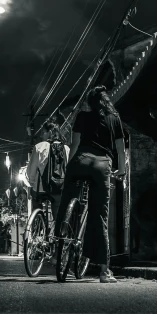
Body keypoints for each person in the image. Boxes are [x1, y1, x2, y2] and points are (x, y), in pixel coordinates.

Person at [55, 86, 127, 284]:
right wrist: (121, 170)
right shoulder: (114, 118)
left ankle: (60, 236)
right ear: (106, 101)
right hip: (102, 164)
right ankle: (105, 272)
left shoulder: (81, 117)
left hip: (81, 159)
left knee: (67, 198)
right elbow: (121, 150)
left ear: (89, 102)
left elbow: (75, 144)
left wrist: (70, 168)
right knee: (100, 216)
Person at [23, 120, 70, 233]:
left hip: (41, 190)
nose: (42, 135)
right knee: (58, 213)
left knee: (36, 202)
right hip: (59, 189)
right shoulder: (67, 149)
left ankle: (38, 229)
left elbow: (31, 173)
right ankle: (57, 237)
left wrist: (31, 184)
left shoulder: (39, 147)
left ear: (49, 132)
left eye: (43, 132)